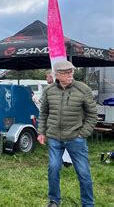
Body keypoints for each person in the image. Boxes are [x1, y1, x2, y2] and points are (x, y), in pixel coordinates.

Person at [37, 60, 98, 207]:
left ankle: (88, 204)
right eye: (66, 72)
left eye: (71, 71)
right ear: (57, 75)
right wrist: (41, 132)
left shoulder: (83, 89)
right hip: (54, 138)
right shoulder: (49, 91)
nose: (70, 74)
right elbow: (44, 113)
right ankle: (54, 200)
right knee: (53, 169)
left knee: (83, 173)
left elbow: (92, 115)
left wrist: (82, 133)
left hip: (75, 138)